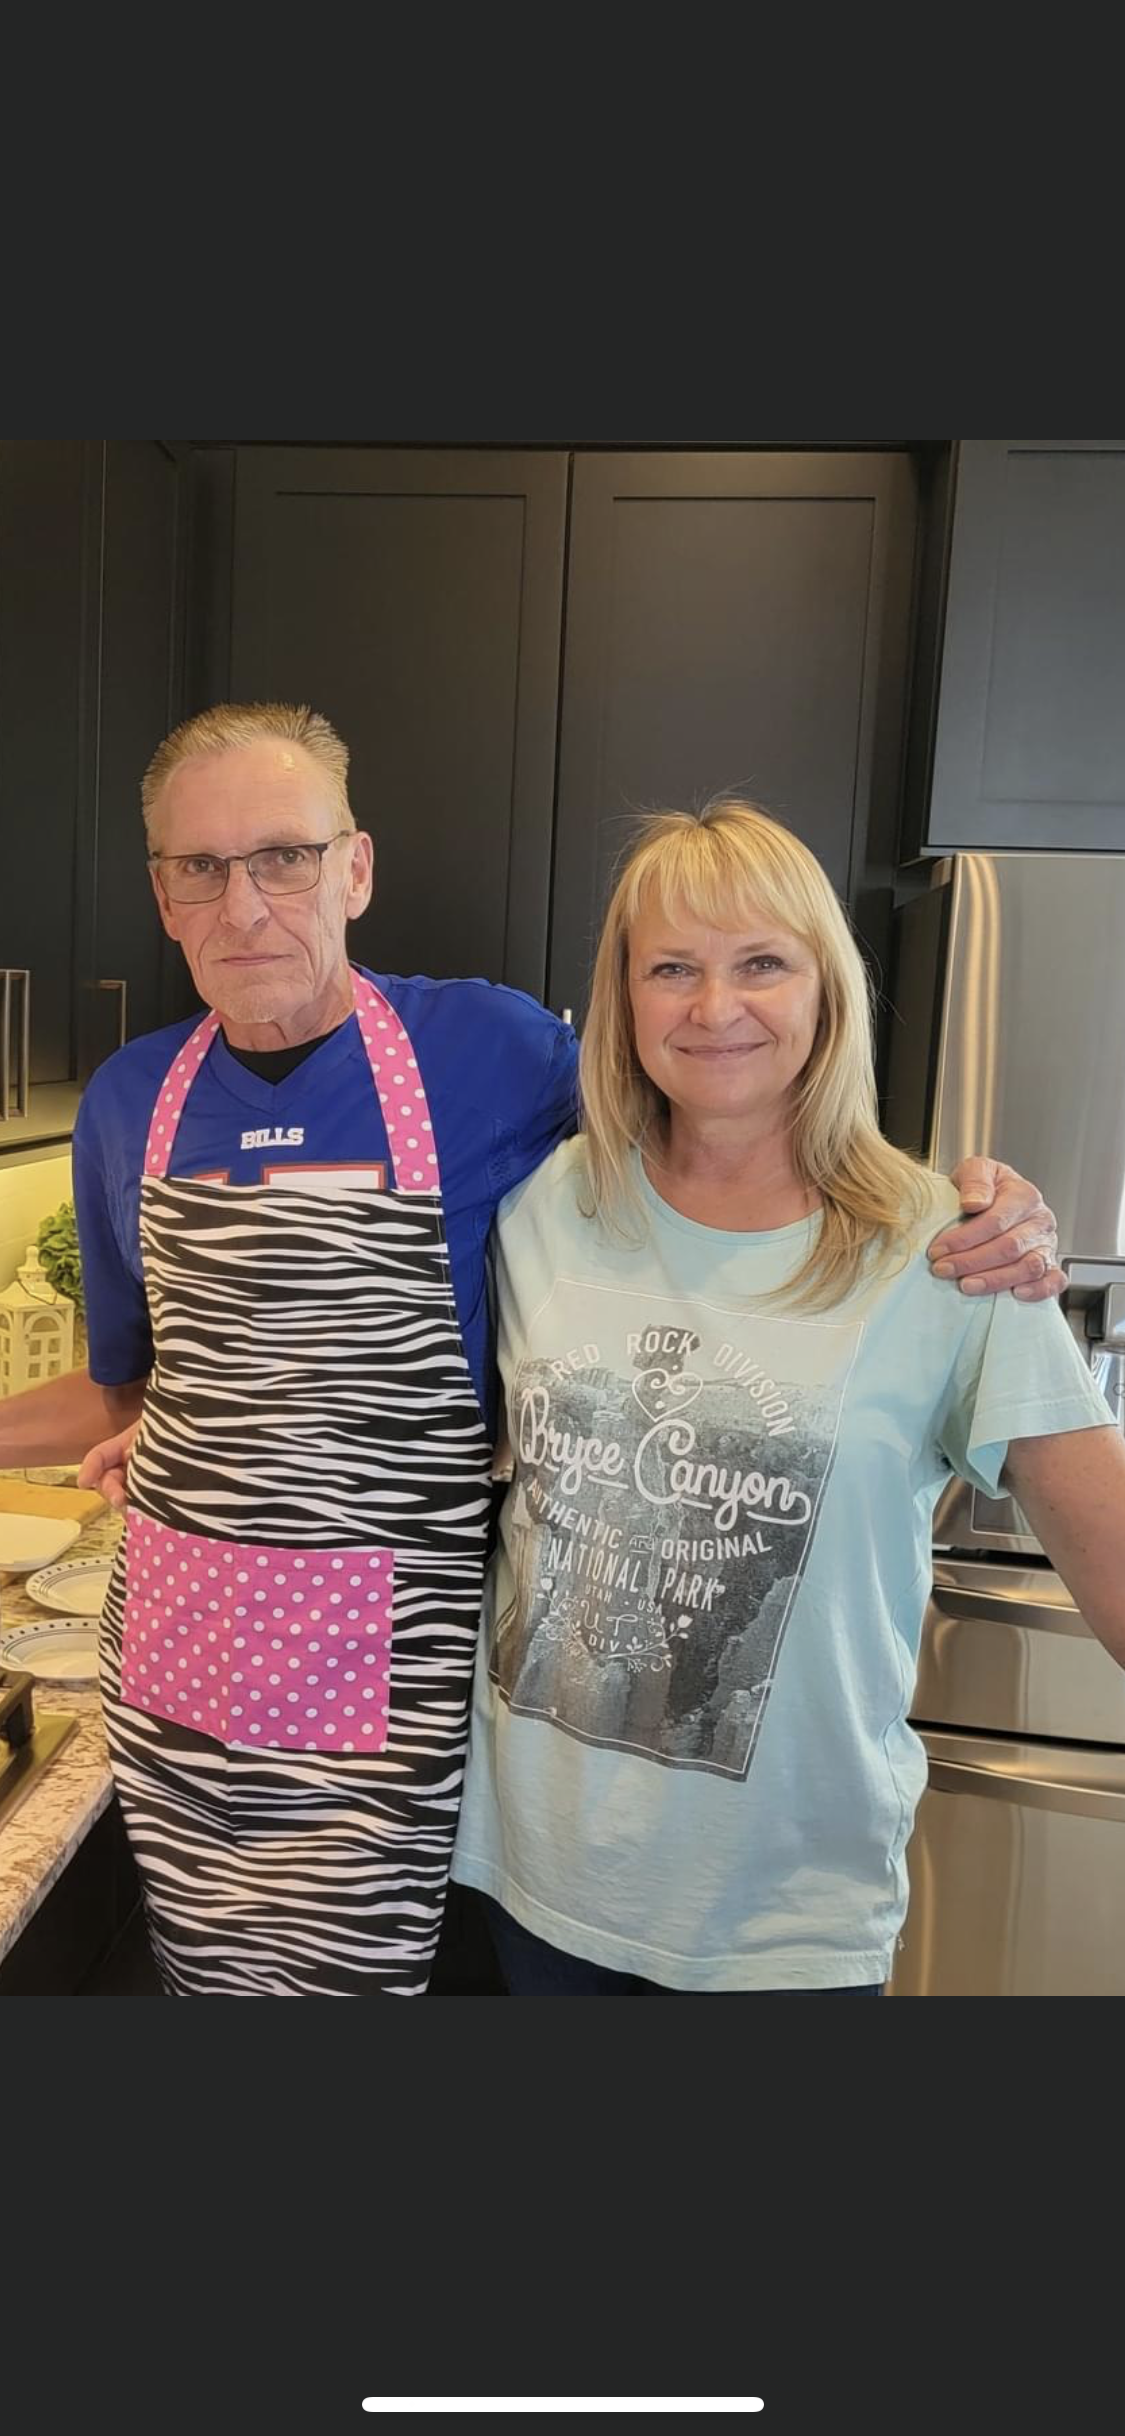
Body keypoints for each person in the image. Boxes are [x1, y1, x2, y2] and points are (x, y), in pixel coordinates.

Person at [0, 711, 1064, 1996]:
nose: (246, 905)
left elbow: (716, 1131)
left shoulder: (495, 1056)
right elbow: (140, 1382)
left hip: (396, 1675)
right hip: (181, 1670)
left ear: (357, 869)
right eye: (199, 868)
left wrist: (956, 1204)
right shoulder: (126, 1100)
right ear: (163, 895)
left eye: (285, 856)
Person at [448, 800, 1125, 1994]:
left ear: (827, 991)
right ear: (625, 1001)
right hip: (531, 1887)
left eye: (762, 962)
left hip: (780, 1928)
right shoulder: (541, 1204)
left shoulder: (949, 1251)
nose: (716, 1008)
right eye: (673, 969)